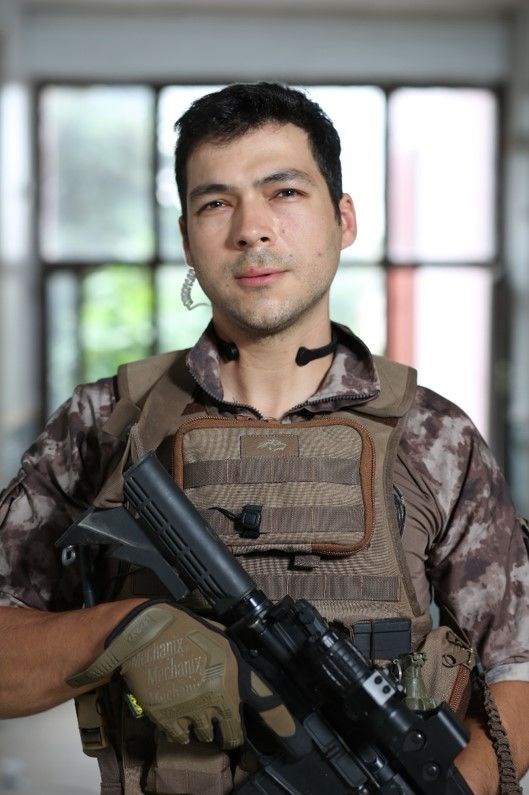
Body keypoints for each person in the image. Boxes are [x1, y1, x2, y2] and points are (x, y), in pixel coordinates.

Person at [0, 82, 528, 795]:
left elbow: (515, 668)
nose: (252, 229)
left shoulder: (434, 436)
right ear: (186, 238)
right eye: (216, 203)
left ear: (343, 218)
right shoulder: (106, 424)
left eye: (284, 192)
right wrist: (123, 631)